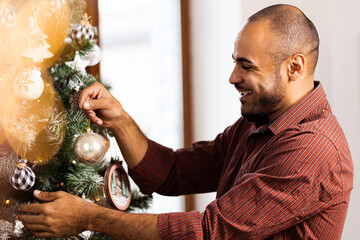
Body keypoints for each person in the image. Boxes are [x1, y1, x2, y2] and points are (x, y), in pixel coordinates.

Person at [17, 4, 353, 239]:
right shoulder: (259, 123)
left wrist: (90, 217)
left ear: (294, 67)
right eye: (235, 62)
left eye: (247, 66)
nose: (232, 77)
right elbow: (172, 173)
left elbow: (210, 232)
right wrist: (119, 120)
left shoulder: (312, 148)